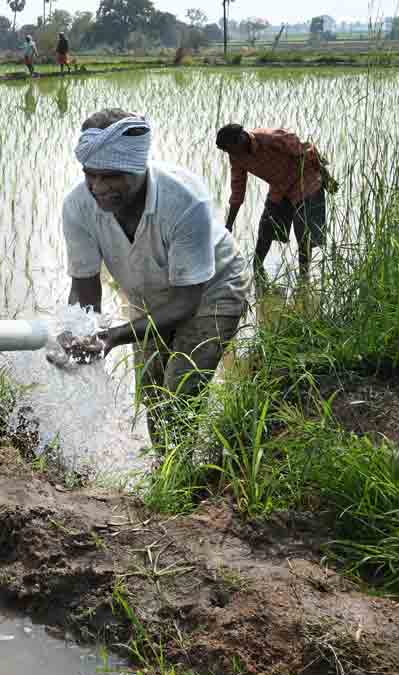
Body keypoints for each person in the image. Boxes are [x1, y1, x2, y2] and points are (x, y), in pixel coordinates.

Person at [59, 109, 252, 445]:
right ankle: (165, 467)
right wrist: (79, 331)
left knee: (180, 393)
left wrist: (113, 336)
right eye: (91, 175)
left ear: (137, 167)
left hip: (211, 291)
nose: (98, 187)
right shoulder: (78, 206)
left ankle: (187, 470)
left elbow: (186, 303)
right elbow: (85, 289)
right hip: (149, 294)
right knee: (151, 392)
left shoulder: (184, 201)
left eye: (111, 176)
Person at [216, 124, 331, 282]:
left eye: (230, 149)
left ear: (241, 138)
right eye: (227, 151)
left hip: (304, 179)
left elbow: (305, 149)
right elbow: (238, 189)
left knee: (303, 232)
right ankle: (256, 268)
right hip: (280, 186)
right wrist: (229, 225)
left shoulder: (269, 138)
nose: (230, 154)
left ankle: (304, 278)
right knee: (266, 226)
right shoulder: (236, 156)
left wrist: (325, 176)